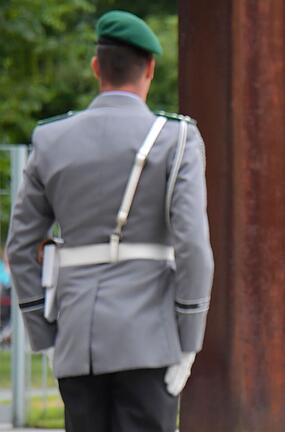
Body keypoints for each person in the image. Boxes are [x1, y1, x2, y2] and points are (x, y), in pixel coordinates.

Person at [6, 11, 214, 432]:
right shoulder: (176, 139)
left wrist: (44, 335)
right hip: (150, 340)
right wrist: (189, 343)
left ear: (96, 66)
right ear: (151, 69)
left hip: (77, 339)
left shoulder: (51, 139)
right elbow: (193, 247)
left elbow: (21, 247)